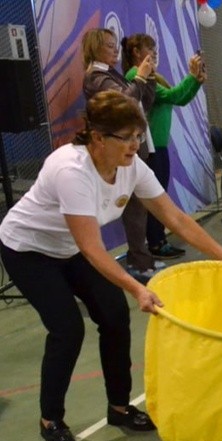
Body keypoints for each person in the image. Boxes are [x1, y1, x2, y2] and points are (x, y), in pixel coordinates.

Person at [0, 91, 222, 441]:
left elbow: (173, 216)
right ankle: (50, 417)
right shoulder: (71, 170)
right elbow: (91, 247)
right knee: (67, 328)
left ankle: (119, 407)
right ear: (98, 137)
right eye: (127, 137)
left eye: (137, 136)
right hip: (28, 250)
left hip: (71, 248)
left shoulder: (131, 167)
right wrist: (137, 287)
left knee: (114, 315)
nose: (135, 145)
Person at [82, 28, 157, 283]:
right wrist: (141, 78)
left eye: (116, 45)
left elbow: (141, 104)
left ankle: (140, 258)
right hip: (116, 150)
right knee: (133, 208)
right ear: (95, 47)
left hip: (128, 146)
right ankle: (138, 262)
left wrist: (149, 78)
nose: (115, 50)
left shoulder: (110, 73)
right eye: (109, 45)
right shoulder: (96, 76)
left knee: (139, 206)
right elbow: (124, 103)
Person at [121, 34, 205, 261]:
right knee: (155, 198)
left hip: (159, 144)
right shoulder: (135, 75)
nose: (155, 51)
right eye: (150, 47)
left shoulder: (151, 76)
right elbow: (172, 95)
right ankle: (156, 242)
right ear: (137, 52)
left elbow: (178, 98)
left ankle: (158, 240)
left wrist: (195, 80)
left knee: (158, 194)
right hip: (152, 146)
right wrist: (191, 77)